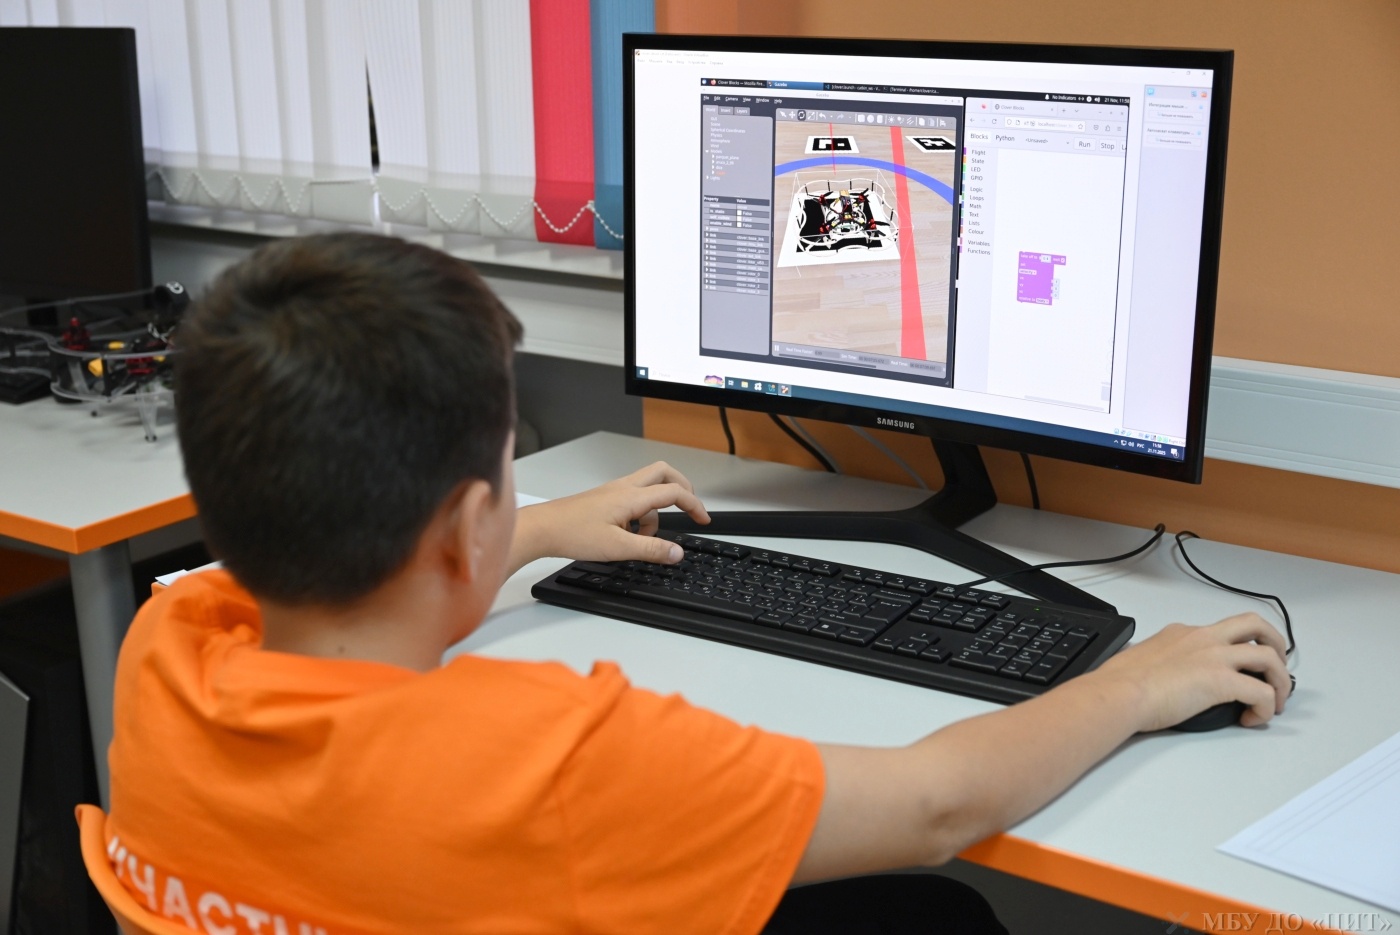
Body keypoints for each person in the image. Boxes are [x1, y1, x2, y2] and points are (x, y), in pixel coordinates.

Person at [104, 233, 1291, 935]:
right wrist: (1133, 683)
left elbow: (302, 577)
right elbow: (933, 806)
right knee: (930, 915)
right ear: (463, 524)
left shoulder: (166, 647)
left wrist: (530, 530)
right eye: (508, 477)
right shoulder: (549, 761)